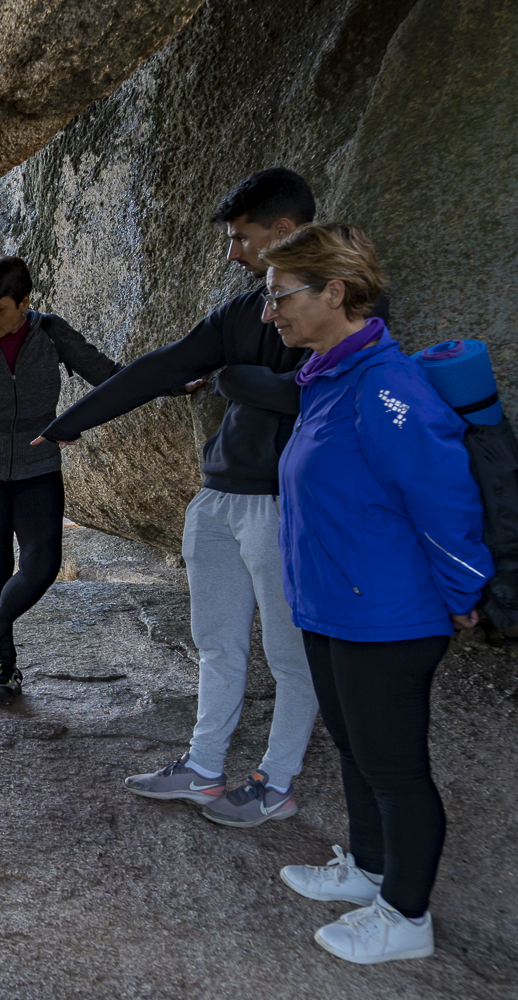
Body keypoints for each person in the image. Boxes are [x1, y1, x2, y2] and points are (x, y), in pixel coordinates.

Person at [32, 168, 360, 827]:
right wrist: (68, 424)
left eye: (242, 238)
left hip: (281, 506)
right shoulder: (242, 312)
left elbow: (316, 395)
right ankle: (204, 769)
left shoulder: (342, 306)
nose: (232, 252)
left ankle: (277, 780)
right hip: (216, 501)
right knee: (216, 640)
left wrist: (235, 376)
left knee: (291, 655)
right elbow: (162, 367)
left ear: (284, 232)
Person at [263, 223, 491, 964]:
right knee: (357, 752)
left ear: (335, 292)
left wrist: (465, 591)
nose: (271, 312)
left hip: (388, 616)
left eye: (280, 296)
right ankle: (368, 872)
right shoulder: (327, 381)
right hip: (335, 608)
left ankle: (407, 917)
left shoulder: (385, 386)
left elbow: (444, 500)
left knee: (394, 767)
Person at [0, 256, 121, 706]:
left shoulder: (50, 333)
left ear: (24, 302)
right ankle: (5, 670)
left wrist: (171, 382)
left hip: (38, 471)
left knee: (42, 565)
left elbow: (109, 377)